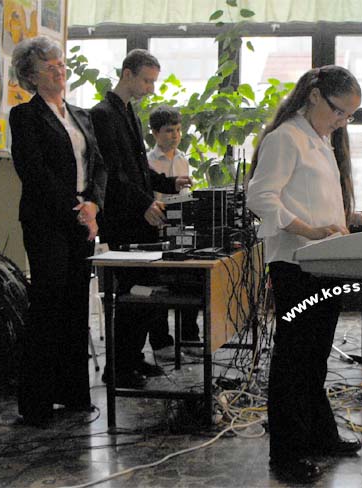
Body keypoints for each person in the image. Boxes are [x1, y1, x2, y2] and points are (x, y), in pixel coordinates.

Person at [247, 65, 362, 483]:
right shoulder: (285, 138)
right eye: (339, 111)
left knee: (315, 357)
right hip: (296, 264)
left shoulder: (320, 138)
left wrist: (361, 218)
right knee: (294, 359)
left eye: (349, 115)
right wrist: (308, 230)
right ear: (314, 96)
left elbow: (321, 204)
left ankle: (319, 436)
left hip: (324, 263)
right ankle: (287, 453)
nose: (342, 121)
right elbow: (260, 197)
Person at [9, 36, 107, 426]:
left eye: (61, 65)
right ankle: (37, 403)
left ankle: (73, 393)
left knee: (75, 306)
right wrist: (76, 210)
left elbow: (98, 166)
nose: (59, 71)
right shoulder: (25, 116)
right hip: (48, 220)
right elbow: (34, 172)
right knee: (49, 305)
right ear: (31, 76)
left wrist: (94, 204)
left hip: (83, 217)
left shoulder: (82, 115)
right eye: (49, 67)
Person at [90, 50, 191, 387]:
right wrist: (146, 202)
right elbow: (114, 172)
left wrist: (168, 183)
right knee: (131, 294)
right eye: (147, 80)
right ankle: (117, 368)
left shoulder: (129, 111)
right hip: (121, 218)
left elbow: (139, 169)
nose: (151, 88)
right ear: (127, 74)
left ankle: (132, 358)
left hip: (137, 214)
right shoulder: (102, 114)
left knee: (145, 293)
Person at [146, 105, 200, 356]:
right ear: (155, 133)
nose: (175, 135)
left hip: (179, 227)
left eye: (178, 130)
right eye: (169, 130)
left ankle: (189, 338)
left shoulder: (182, 160)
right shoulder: (148, 161)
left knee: (188, 281)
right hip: (156, 227)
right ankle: (161, 342)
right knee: (159, 287)